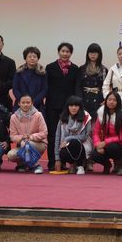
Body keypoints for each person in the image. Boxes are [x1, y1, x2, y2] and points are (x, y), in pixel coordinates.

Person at [44, 42, 80, 171]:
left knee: (67, 134)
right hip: (52, 106)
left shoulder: (75, 69)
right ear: (58, 52)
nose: (65, 53)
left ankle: (64, 161)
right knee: (53, 135)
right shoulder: (50, 67)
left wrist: (75, 105)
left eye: (68, 51)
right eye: (63, 51)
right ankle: (52, 162)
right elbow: (46, 87)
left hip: (69, 108)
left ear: (71, 53)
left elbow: (76, 88)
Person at [7, 94, 48, 174]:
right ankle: (23, 164)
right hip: (22, 144)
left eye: (28, 102)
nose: (25, 105)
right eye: (23, 102)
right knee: (10, 155)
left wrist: (31, 137)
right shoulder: (13, 117)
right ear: (19, 103)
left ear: (32, 103)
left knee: (26, 144)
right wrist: (22, 138)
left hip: (39, 144)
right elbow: (12, 136)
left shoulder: (38, 115)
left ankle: (36, 166)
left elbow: (44, 132)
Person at [91, 90, 122, 175]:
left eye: (114, 100)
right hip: (104, 144)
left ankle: (119, 166)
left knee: (112, 147)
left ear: (118, 102)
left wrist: (105, 142)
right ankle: (107, 165)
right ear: (106, 101)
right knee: (94, 155)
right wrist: (97, 144)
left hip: (118, 145)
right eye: (109, 99)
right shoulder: (101, 113)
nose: (111, 102)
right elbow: (95, 133)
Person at [53, 95, 92, 175]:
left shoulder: (86, 117)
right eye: (71, 105)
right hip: (66, 146)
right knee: (62, 153)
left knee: (74, 142)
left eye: (76, 106)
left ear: (80, 107)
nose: (73, 108)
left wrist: (68, 138)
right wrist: (57, 159)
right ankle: (72, 164)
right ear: (67, 107)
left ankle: (80, 165)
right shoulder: (63, 118)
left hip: (83, 145)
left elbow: (84, 137)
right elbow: (57, 137)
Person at [75, 43, 108, 122]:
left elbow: (106, 86)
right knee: (84, 122)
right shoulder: (82, 69)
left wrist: (105, 99)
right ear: (87, 54)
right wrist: (79, 99)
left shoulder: (104, 70)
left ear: (99, 54)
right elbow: (78, 86)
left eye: (95, 53)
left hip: (98, 100)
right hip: (84, 99)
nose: (93, 55)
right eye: (91, 53)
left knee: (96, 123)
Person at [12, 46, 47, 113]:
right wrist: (23, 102)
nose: (32, 58)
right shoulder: (19, 72)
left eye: (34, 57)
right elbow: (15, 89)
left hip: (37, 105)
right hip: (20, 105)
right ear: (25, 58)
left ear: (38, 58)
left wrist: (33, 102)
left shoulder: (42, 72)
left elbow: (44, 89)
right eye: (30, 56)